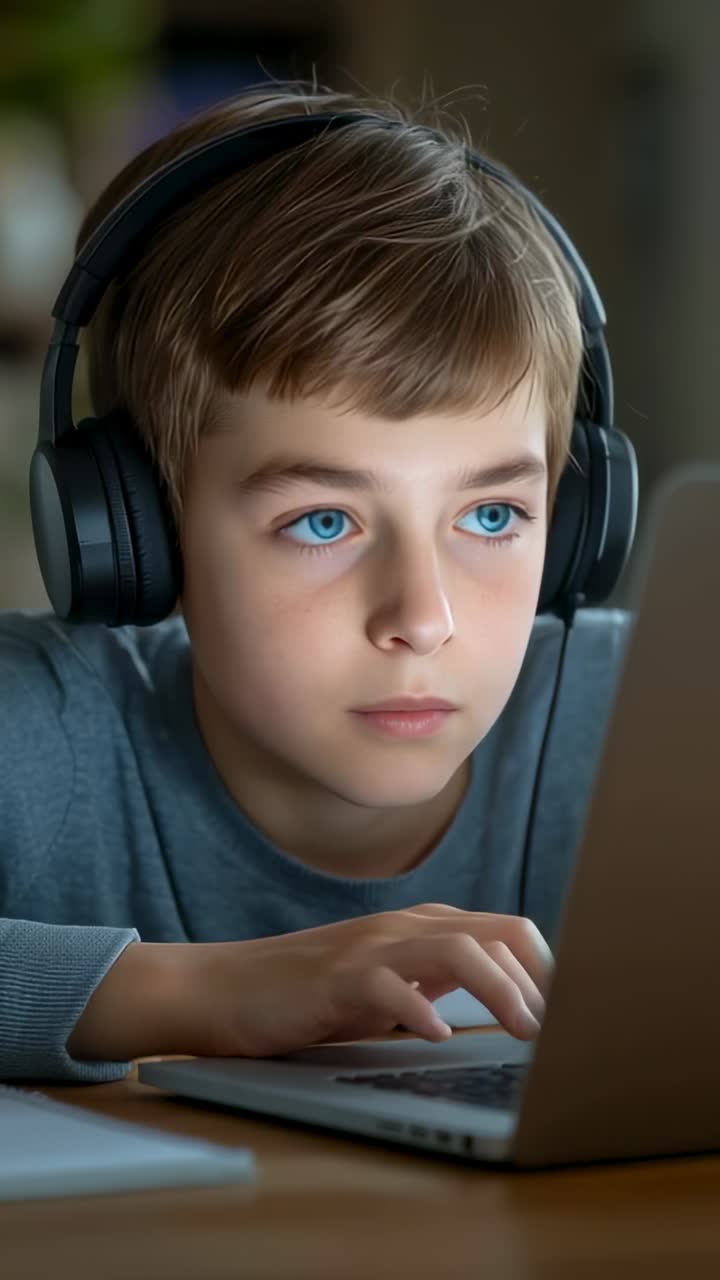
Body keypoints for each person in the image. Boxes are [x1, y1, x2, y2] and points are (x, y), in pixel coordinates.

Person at [0, 82, 631, 1083]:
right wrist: (198, 993)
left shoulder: (662, 709)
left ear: (577, 529)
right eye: (323, 521)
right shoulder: (40, 730)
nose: (423, 618)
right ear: (141, 534)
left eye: (492, 515)